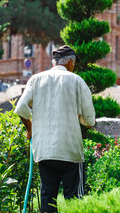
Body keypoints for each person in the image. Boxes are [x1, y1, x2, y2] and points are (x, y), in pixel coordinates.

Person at [14, 45, 95, 213]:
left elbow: (21, 107)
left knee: (47, 200)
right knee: (75, 202)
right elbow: (89, 120)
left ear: (54, 62)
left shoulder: (36, 79)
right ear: (71, 62)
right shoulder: (76, 81)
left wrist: (30, 128)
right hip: (70, 152)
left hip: (45, 152)